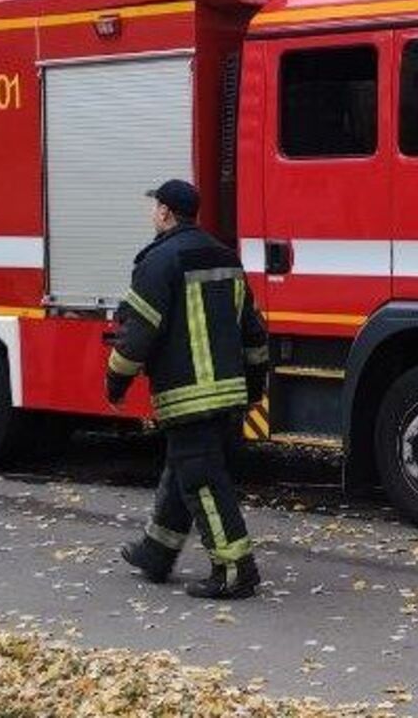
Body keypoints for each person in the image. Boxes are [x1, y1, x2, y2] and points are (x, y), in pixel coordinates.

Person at [108, 179, 270, 600]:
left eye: (155, 208)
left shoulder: (159, 262)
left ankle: (236, 570)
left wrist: (116, 380)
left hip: (188, 395)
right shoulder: (226, 258)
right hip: (229, 394)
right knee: (185, 467)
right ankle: (156, 551)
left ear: (165, 213)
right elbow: (253, 332)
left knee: (201, 477)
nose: (152, 214)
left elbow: (138, 335)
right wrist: (254, 388)